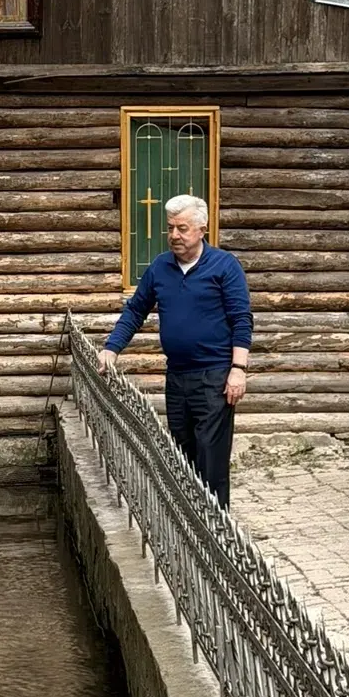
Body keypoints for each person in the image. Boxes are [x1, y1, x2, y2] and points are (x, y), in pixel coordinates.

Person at [97, 194, 251, 508]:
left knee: (210, 457)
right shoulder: (160, 267)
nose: (174, 235)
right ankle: (189, 519)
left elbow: (241, 319)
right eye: (170, 228)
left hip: (215, 377)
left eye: (182, 228)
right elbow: (135, 311)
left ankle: (215, 525)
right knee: (182, 453)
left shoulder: (224, 266)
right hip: (178, 377)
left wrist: (239, 369)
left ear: (202, 230)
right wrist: (112, 349)